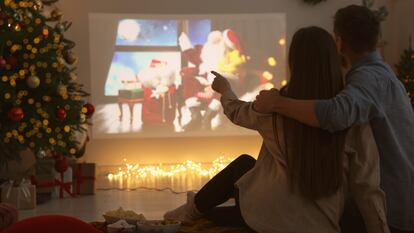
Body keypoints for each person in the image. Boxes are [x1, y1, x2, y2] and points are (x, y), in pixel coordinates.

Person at [164, 26, 388, 233]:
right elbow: (367, 189)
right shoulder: (353, 121)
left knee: (242, 167)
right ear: (333, 60)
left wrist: (225, 89)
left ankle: (191, 210)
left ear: (294, 64)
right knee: (235, 197)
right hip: (322, 224)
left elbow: (236, 111)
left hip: (270, 219)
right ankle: (194, 210)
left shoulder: (275, 109)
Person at [254, 5, 414, 233]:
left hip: (390, 207)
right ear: (377, 37)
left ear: (338, 41)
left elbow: (335, 114)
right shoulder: (380, 74)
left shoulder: (369, 78)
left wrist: (277, 103)